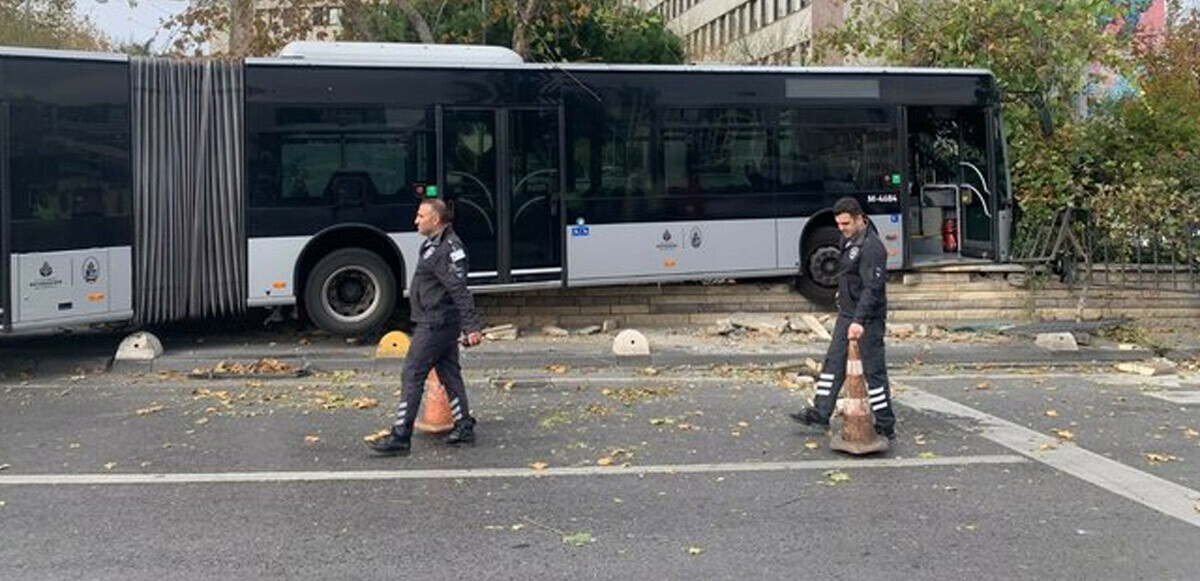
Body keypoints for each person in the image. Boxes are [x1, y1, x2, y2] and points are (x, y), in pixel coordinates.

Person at [369, 198, 485, 456]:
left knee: (412, 373)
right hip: (437, 320)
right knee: (449, 373)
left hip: (436, 323)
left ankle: (400, 436)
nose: (416, 220)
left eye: (421, 216)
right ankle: (463, 424)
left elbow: (459, 290)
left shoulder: (448, 250)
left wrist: (472, 326)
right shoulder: (434, 244)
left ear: (435, 219)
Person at [790, 196, 896, 441]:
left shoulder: (872, 247)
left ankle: (885, 423)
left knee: (874, 371)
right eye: (839, 224)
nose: (842, 229)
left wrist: (859, 321)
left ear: (860, 219)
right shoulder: (848, 239)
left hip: (866, 318)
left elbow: (873, 288)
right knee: (833, 363)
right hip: (847, 314)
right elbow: (848, 273)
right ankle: (820, 412)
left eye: (846, 224)